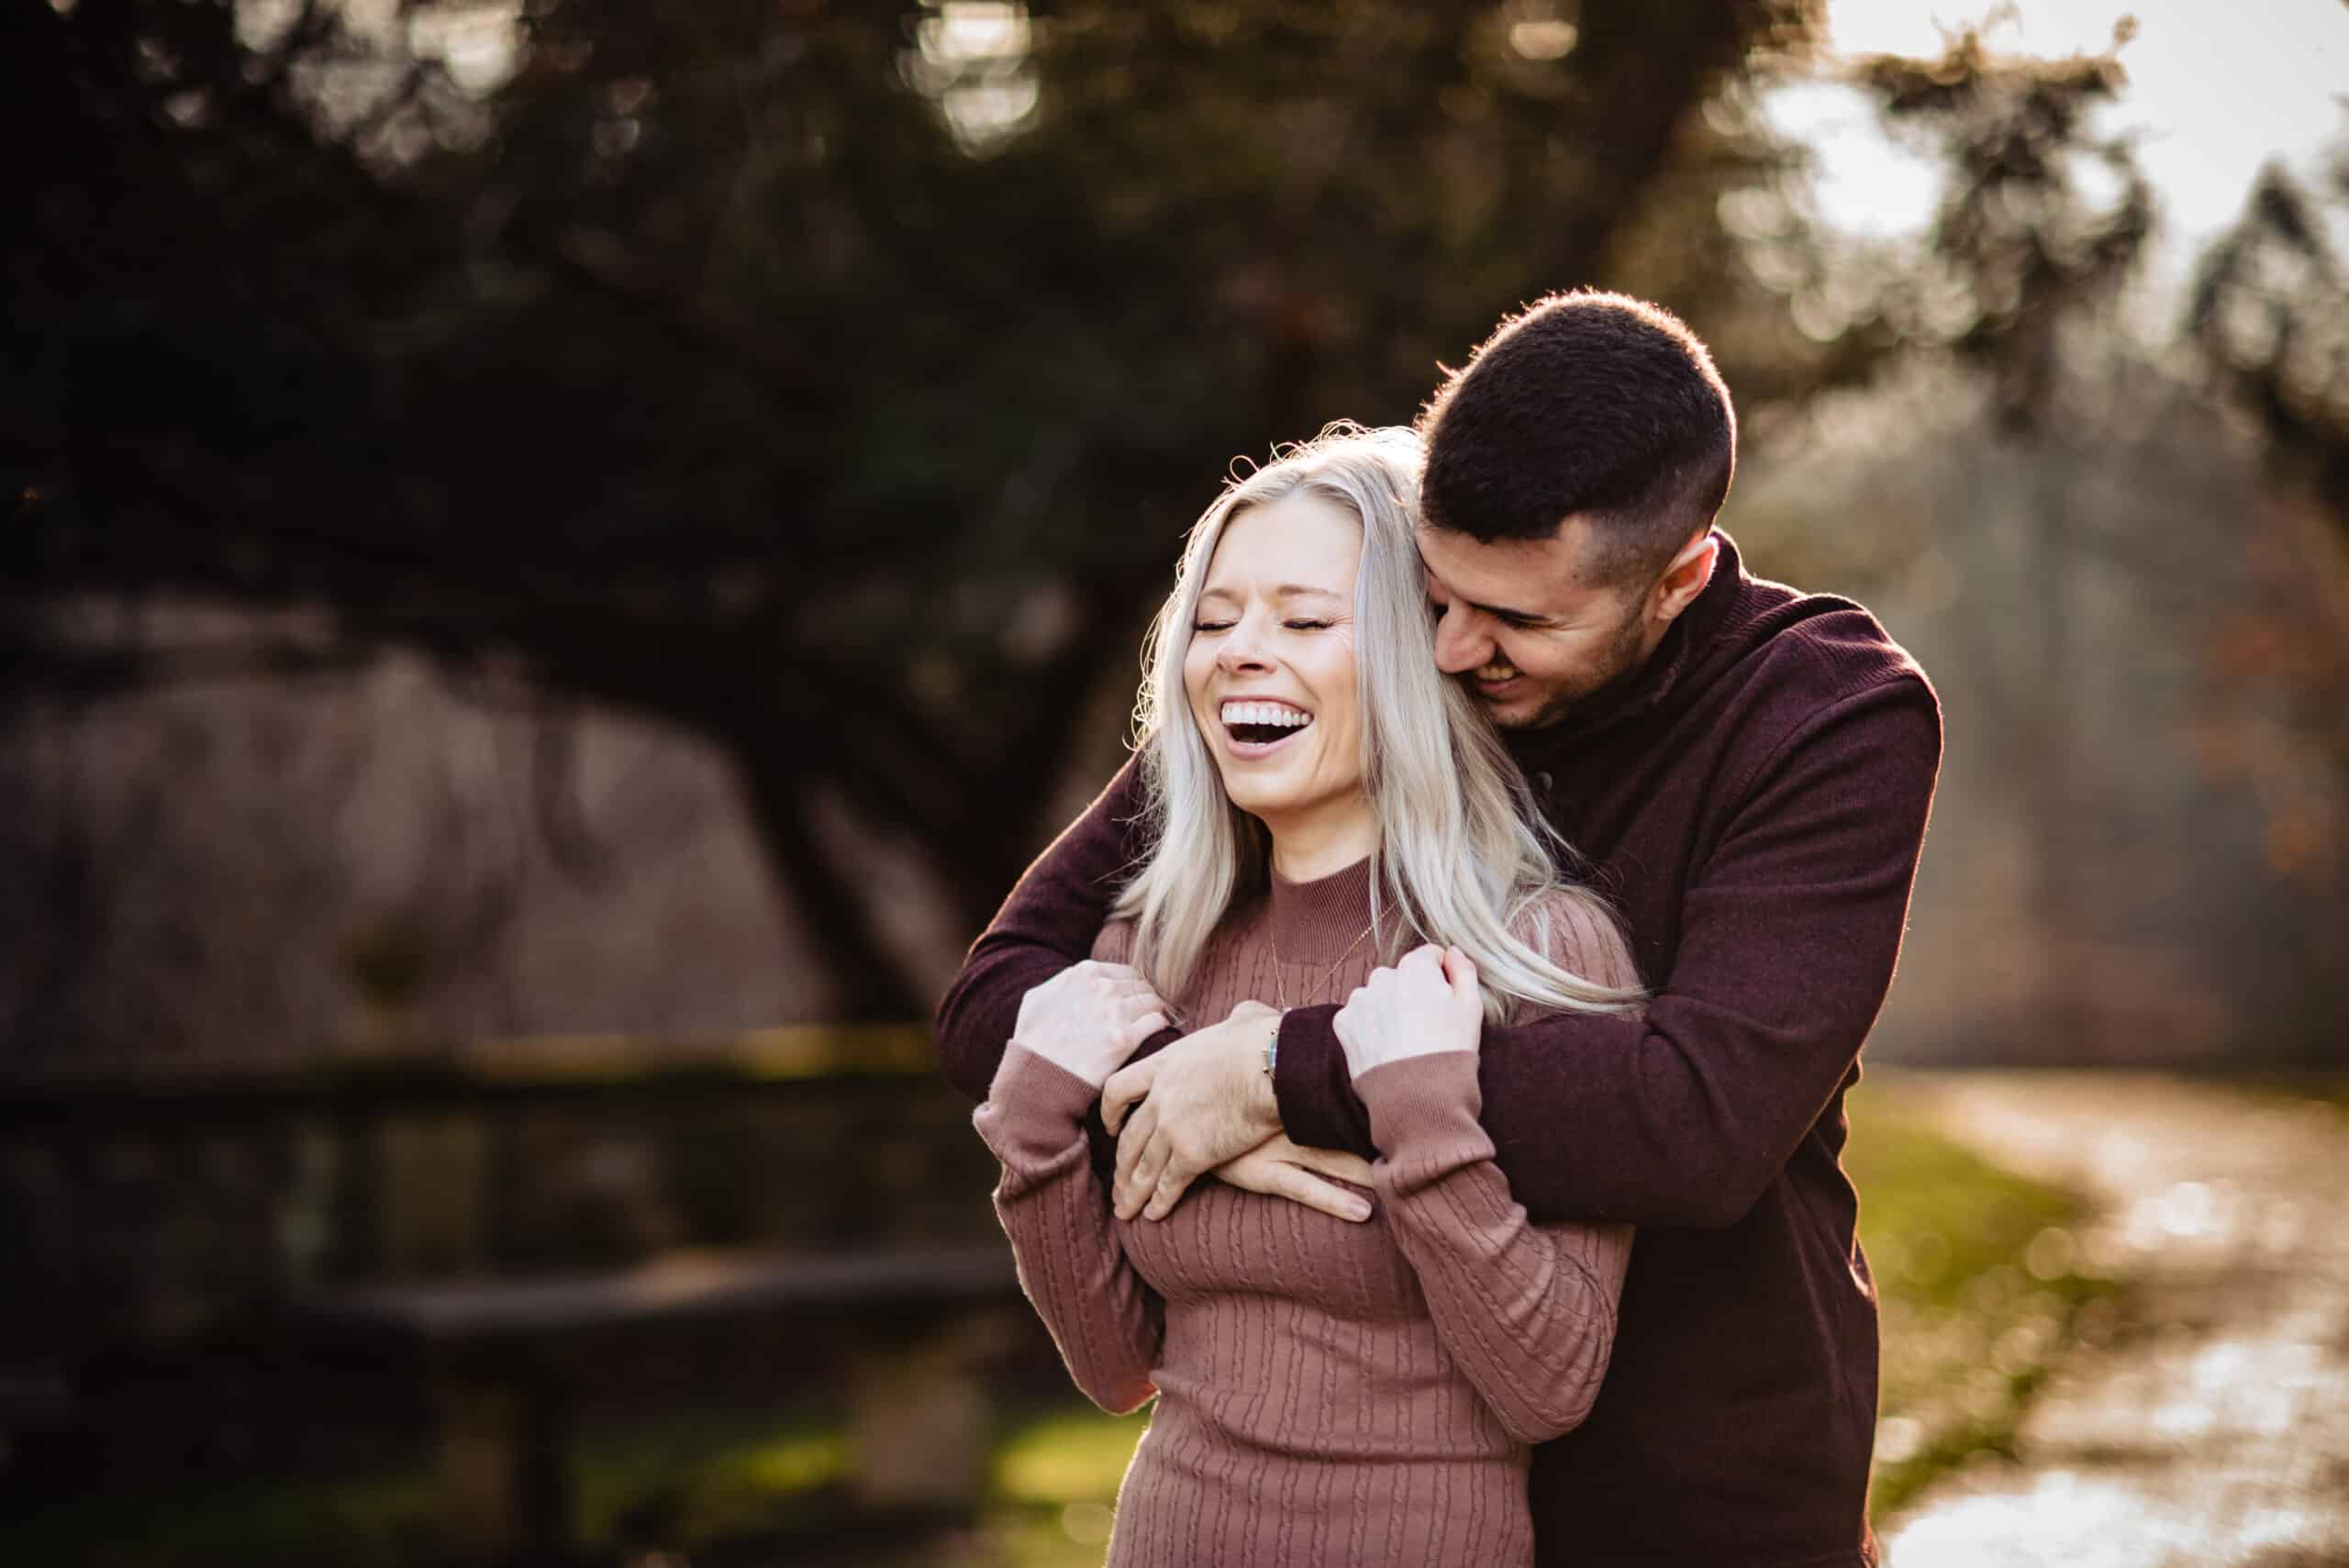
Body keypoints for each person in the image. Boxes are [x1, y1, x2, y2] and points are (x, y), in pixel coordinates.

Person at [940, 291, 1943, 1567]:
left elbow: (1697, 1122)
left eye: (1519, 620)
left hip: (1690, 1481)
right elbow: (999, 1002)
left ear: (1678, 576)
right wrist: (1170, 1086)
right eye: (1434, 598)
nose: (1458, 651)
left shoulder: (1820, 711)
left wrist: (1273, 1076)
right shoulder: (1366, 681)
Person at [974, 423, 1644, 1566]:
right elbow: (1117, 1368)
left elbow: (1550, 1386)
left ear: (1405, 651)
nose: (1239, 650)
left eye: (1302, 618)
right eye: (1215, 618)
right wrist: (1034, 1134)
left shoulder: (1540, 950)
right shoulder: (1155, 947)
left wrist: (1423, 1118)